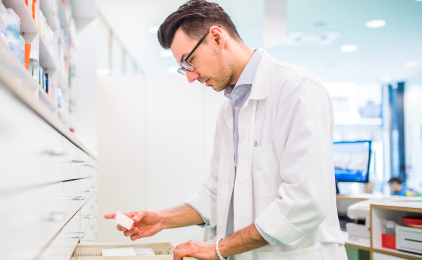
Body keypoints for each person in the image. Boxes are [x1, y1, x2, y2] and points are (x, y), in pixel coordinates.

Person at [104, 1, 347, 259]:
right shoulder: (229, 110)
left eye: (189, 61)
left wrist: (218, 249)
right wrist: (163, 219)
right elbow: (216, 194)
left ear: (217, 37)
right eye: (183, 68)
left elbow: (305, 203)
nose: (190, 76)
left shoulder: (297, 89)